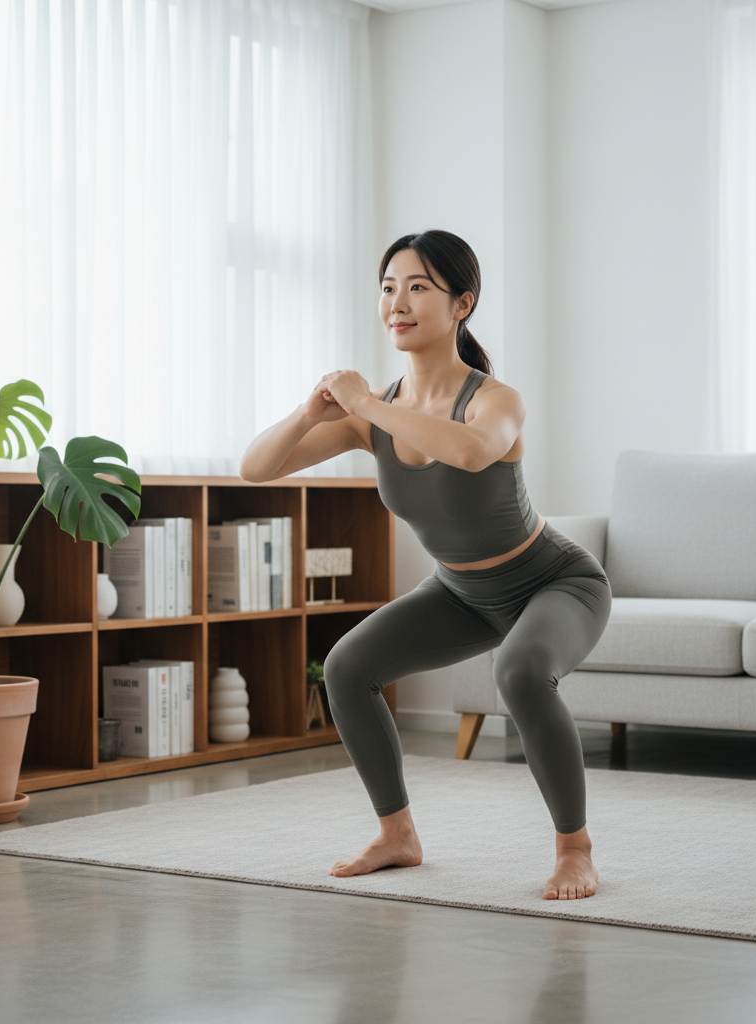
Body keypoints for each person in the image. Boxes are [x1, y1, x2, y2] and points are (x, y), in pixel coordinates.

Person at [239, 229, 612, 900]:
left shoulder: (495, 400)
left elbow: (469, 453)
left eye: (417, 287)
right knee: (348, 668)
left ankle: (575, 849)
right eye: (387, 287)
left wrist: (367, 405)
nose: (396, 303)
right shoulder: (372, 414)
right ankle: (397, 834)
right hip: (460, 591)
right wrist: (309, 412)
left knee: (521, 671)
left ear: (461, 303)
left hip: (553, 582)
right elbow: (255, 468)